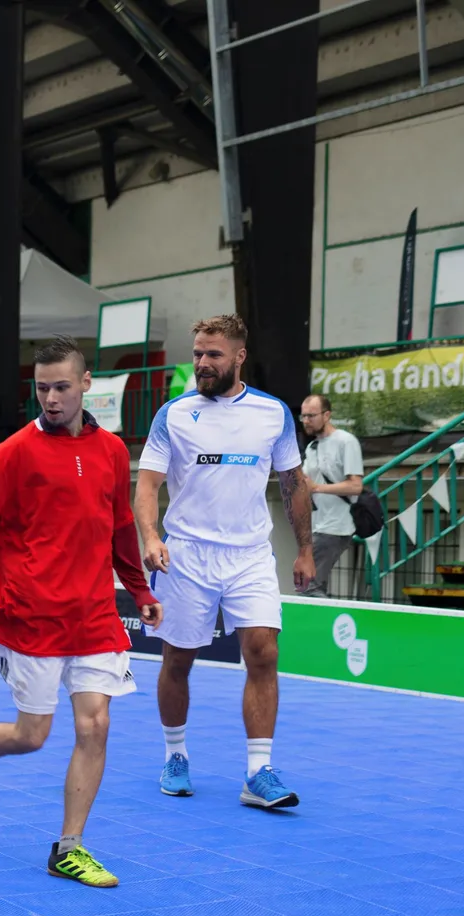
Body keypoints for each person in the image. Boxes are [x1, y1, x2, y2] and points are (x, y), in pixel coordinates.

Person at [0, 338, 161, 889]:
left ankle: (69, 849)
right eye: (42, 388)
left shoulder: (113, 451)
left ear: (86, 384)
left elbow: (121, 526)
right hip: (29, 618)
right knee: (32, 735)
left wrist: (139, 589)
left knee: (95, 725)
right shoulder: (12, 454)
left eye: (62, 387)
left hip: (94, 616)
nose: (51, 398)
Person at [135, 315, 313, 809]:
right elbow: (147, 485)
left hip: (250, 555)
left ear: (239, 356)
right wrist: (151, 536)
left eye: (213, 354)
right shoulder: (173, 414)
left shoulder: (273, 413)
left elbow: (294, 484)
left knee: (263, 653)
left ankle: (258, 772)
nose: (202, 363)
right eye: (197, 353)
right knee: (178, 660)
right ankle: (175, 755)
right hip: (186, 555)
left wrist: (304, 549)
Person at [298, 395, 364, 599]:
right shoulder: (312, 447)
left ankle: (328, 617)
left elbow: (356, 486)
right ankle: (325, 617)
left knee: (307, 585)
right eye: (303, 416)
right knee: (312, 585)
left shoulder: (346, 441)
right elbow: (305, 483)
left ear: (327, 415)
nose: (306, 421)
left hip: (336, 526)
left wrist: (317, 487)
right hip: (316, 524)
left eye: (311, 416)